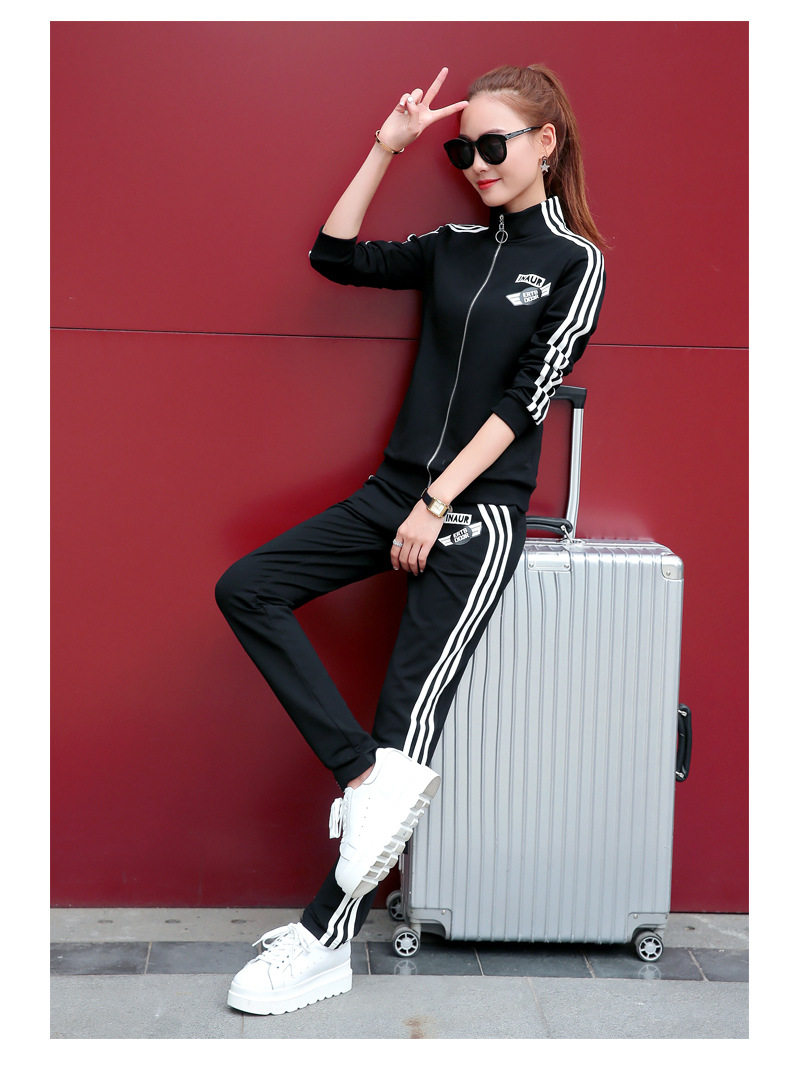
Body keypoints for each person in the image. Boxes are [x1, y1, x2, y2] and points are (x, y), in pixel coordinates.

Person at [215, 63, 606, 1016]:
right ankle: (357, 773)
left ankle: (323, 939)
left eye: (493, 144)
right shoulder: (452, 247)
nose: (475, 163)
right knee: (248, 588)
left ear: (545, 143)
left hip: (472, 518)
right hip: (391, 495)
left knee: (407, 727)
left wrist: (437, 501)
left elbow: (526, 402)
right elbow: (334, 255)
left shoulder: (574, 262)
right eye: (462, 149)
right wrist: (386, 149)